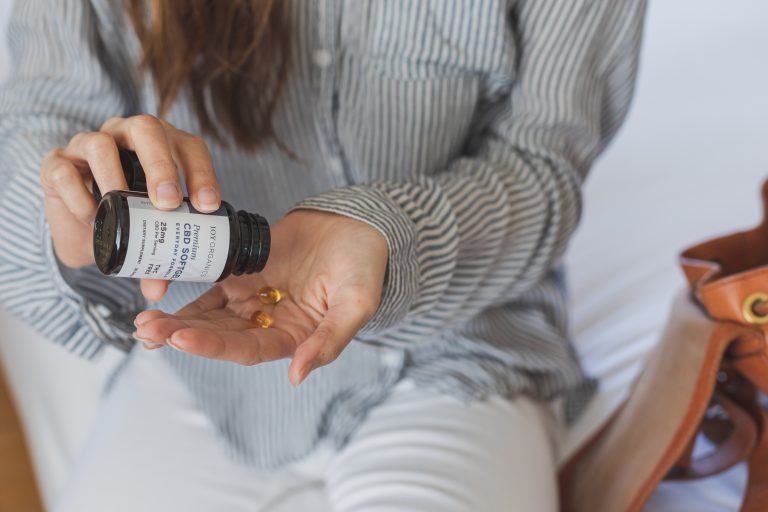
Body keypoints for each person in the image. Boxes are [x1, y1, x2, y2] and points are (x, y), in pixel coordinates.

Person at [0, 0, 646, 510]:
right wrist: (68, 214)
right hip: (199, 349)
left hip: (458, 350)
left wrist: (382, 234)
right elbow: (42, 116)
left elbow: (544, 166)